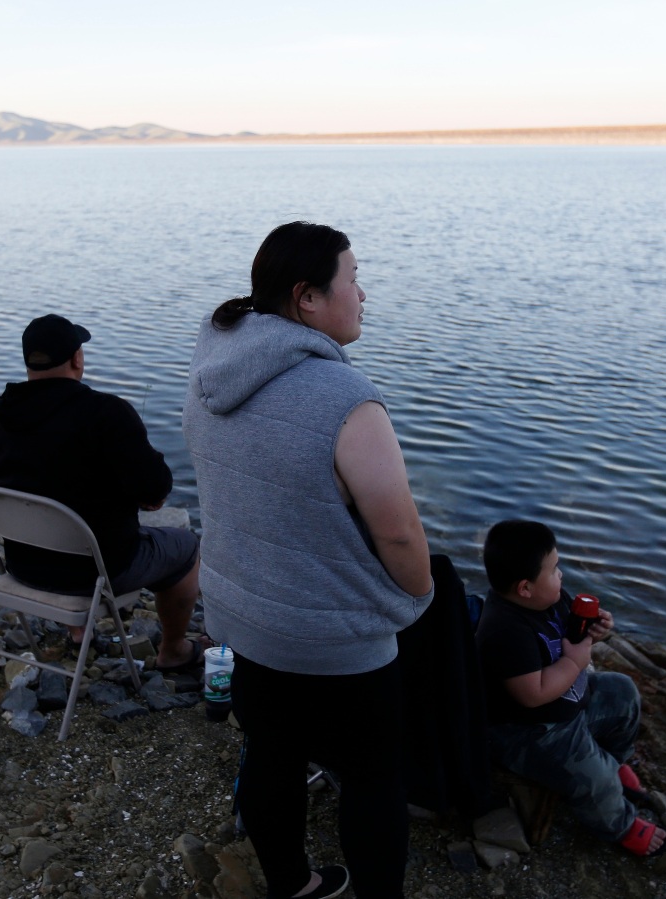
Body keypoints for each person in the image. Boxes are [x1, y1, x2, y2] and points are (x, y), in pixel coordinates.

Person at [183, 222, 434, 899]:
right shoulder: (345, 400)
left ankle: (292, 884)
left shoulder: (213, 370)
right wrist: (416, 599)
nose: (363, 292)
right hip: (334, 639)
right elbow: (404, 538)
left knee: (272, 751)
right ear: (308, 299)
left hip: (239, 615)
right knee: (374, 774)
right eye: (352, 279)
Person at [0, 313, 203, 671]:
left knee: (65, 520)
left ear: (28, 362)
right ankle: (174, 650)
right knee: (186, 549)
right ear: (77, 359)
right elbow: (156, 488)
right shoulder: (107, 413)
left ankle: (79, 634)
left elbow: (0, 491)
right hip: (98, 573)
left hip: (23, 566)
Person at [475, 519, 666, 857]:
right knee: (595, 778)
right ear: (525, 588)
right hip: (531, 732)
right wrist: (575, 662)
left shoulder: (547, 600)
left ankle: (616, 759)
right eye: (554, 570)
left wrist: (595, 628)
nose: (561, 575)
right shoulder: (503, 629)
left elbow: (572, 631)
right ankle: (620, 826)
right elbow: (532, 694)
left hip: (570, 704)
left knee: (623, 693)